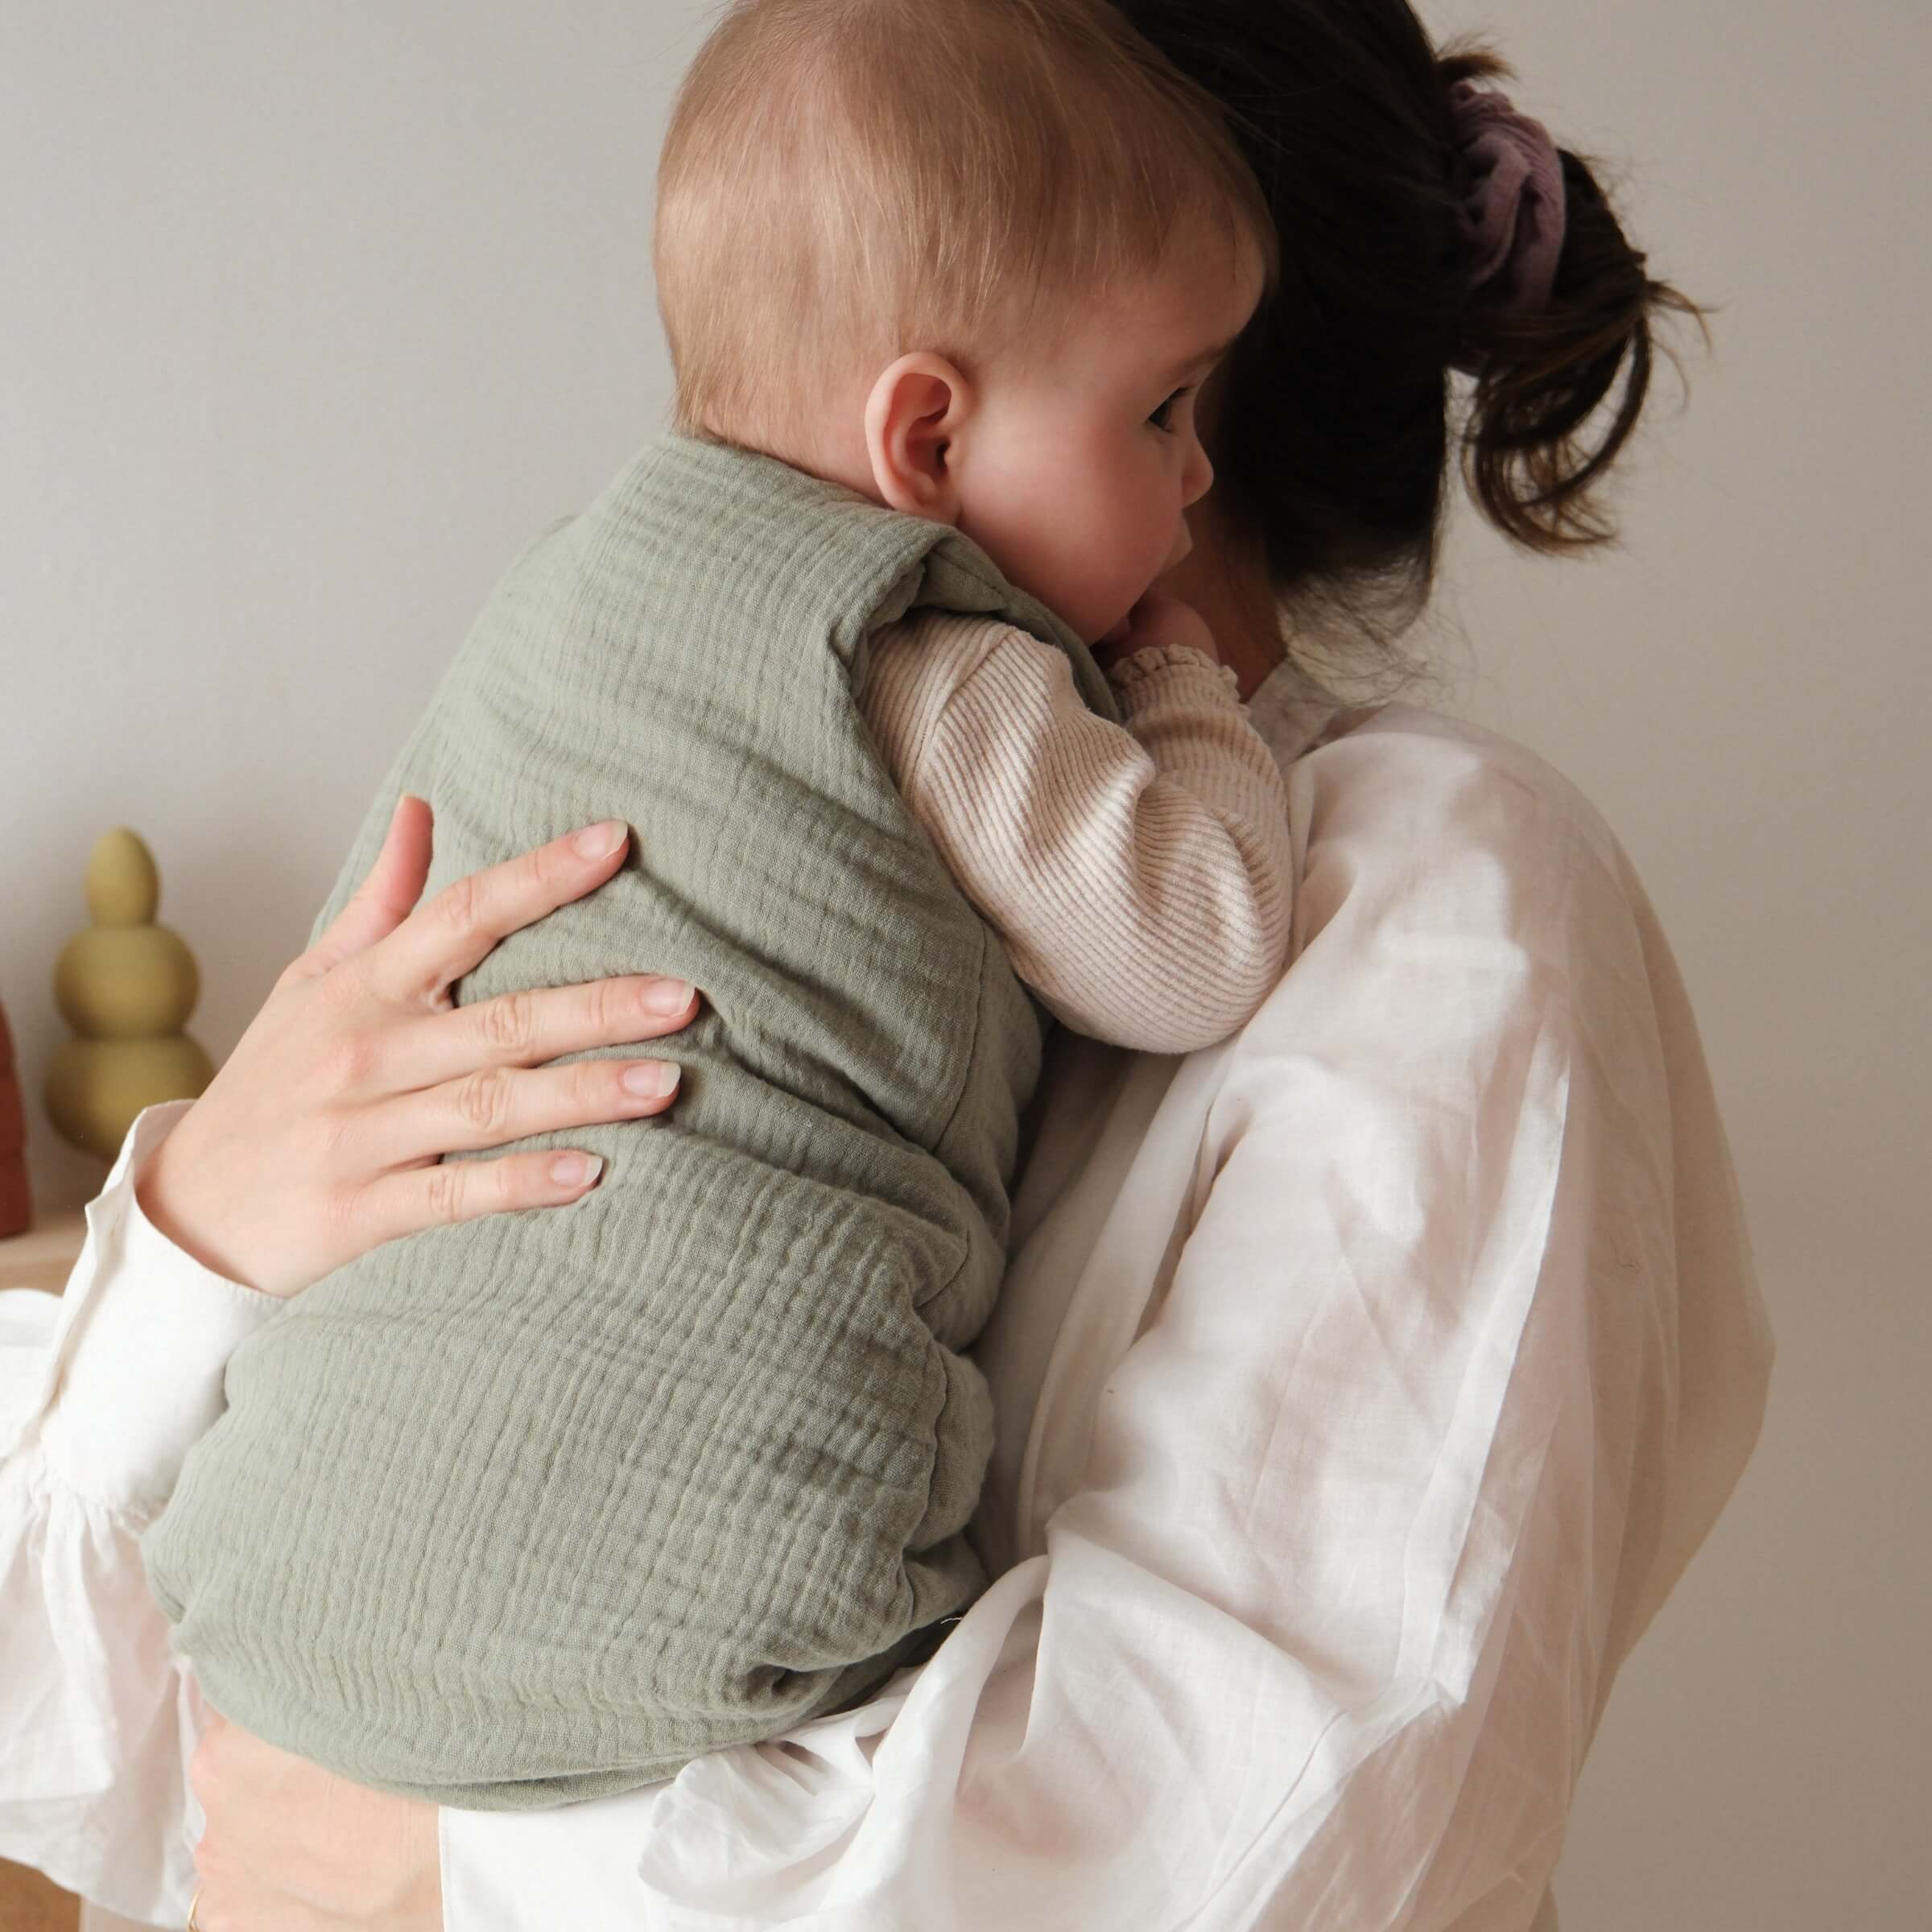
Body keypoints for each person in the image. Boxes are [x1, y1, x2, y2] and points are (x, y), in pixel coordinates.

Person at [0, 3, 1774, 1930]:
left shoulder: (1441, 902)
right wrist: (194, 1231)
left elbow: (1260, 1839)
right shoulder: (718, 828)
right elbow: (82, 1725)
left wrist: (460, 1859)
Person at [133, 0, 1303, 1811]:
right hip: (744, 1584)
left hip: (276, 1589)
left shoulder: (553, 601)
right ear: (927, 439)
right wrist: (1184, 696)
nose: (1200, 475)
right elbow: (1197, 947)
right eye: (1161, 409)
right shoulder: (933, 656)